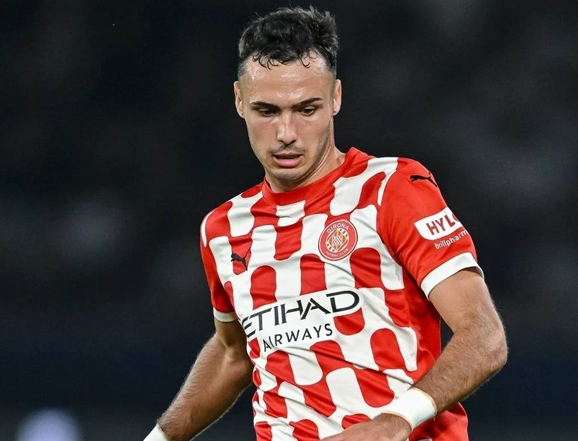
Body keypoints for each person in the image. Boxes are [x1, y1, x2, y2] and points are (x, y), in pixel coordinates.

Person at [143, 6, 507, 441]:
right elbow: (233, 354)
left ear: (335, 97)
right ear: (239, 100)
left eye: (306, 109)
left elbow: (484, 336)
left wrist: (394, 421)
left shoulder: (390, 189)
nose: (286, 133)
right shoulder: (223, 229)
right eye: (267, 111)